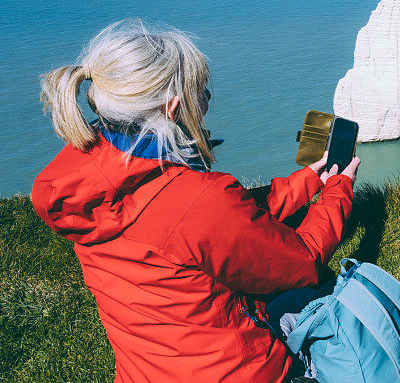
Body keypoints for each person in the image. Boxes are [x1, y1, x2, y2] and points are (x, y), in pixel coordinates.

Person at [32, 20, 360, 382]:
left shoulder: (83, 176)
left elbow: (223, 222)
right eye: (201, 92)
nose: (205, 102)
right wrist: (338, 188)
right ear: (173, 108)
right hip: (235, 372)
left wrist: (309, 180)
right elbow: (302, 261)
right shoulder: (198, 199)